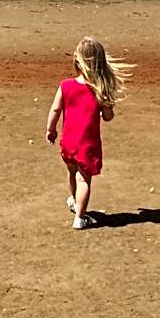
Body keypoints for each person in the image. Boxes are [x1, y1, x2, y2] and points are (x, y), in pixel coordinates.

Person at [45, 37, 133, 229]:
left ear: (77, 62)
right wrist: (105, 104)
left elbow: (55, 109)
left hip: (69, 142)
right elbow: (108, 117)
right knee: (84, 179)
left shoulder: (65, 86)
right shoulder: (99, 90)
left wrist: (51, 130)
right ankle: (80, 217)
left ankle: (76, 203)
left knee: (72, 173)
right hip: (88, 144)